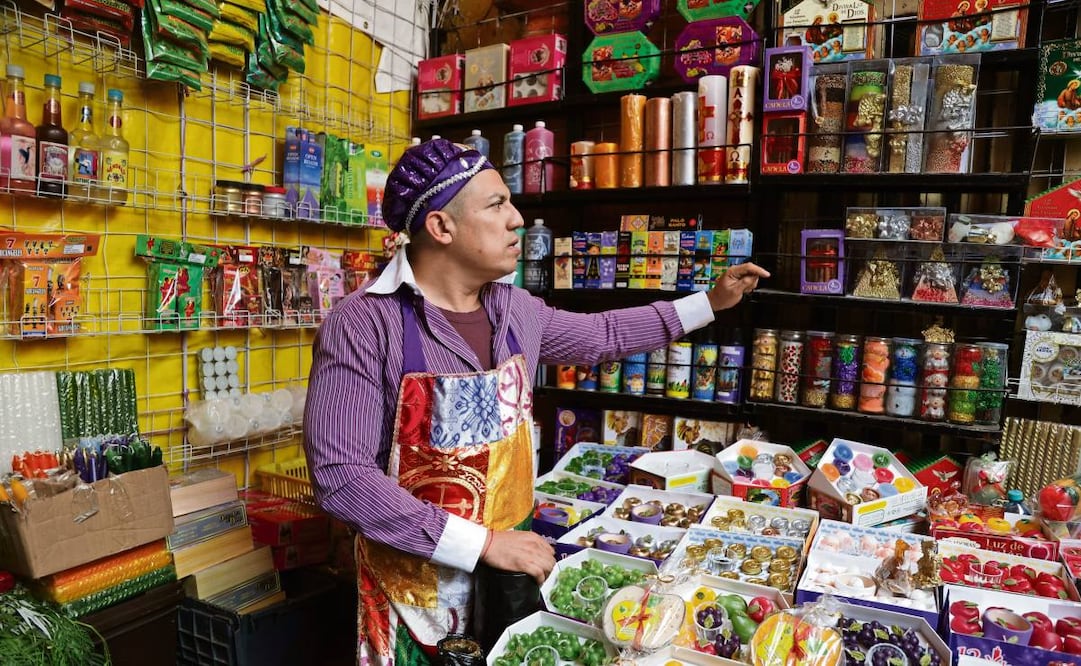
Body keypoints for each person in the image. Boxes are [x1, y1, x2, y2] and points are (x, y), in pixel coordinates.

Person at [303, 138, 769, 665]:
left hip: (511, 569)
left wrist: (709, 303)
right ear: (441, 227)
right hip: (414, 587)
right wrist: (481, 543)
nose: (517, 219)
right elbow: (341, 476)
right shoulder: (365, 325)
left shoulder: (515, 309)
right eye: (496, 204)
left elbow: (603, 334)